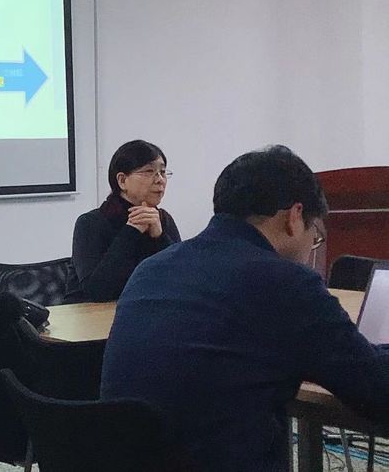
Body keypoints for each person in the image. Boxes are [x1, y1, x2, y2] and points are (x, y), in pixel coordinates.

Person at [100, 145, 389, 472]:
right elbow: (376, 389)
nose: (311, 248)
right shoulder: (284, 282)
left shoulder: (152, 268)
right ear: (295, 217)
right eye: (316, 236)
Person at [64, 140, 180, 302]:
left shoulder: (162, 220)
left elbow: (182, 280)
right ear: (122, 181)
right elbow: (96, 291)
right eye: (149, 171)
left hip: (147, 310)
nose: (160, 179)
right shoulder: (91, 223)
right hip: (92, 314)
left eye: (162, 172)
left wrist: (160, 238)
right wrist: (132, 231)